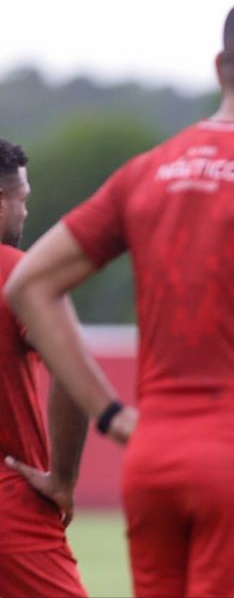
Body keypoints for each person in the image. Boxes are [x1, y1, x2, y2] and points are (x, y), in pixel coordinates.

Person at [4, 0, 234, 597]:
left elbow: (30, 283)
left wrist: (112, 417)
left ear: (220, 69)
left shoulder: (149, 170)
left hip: (153, 460)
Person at [0, 139, 87, 597]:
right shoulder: (23, 277)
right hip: (9, 503)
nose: (25, 214)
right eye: (22, 200)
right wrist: (63, 480)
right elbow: (74, 376)